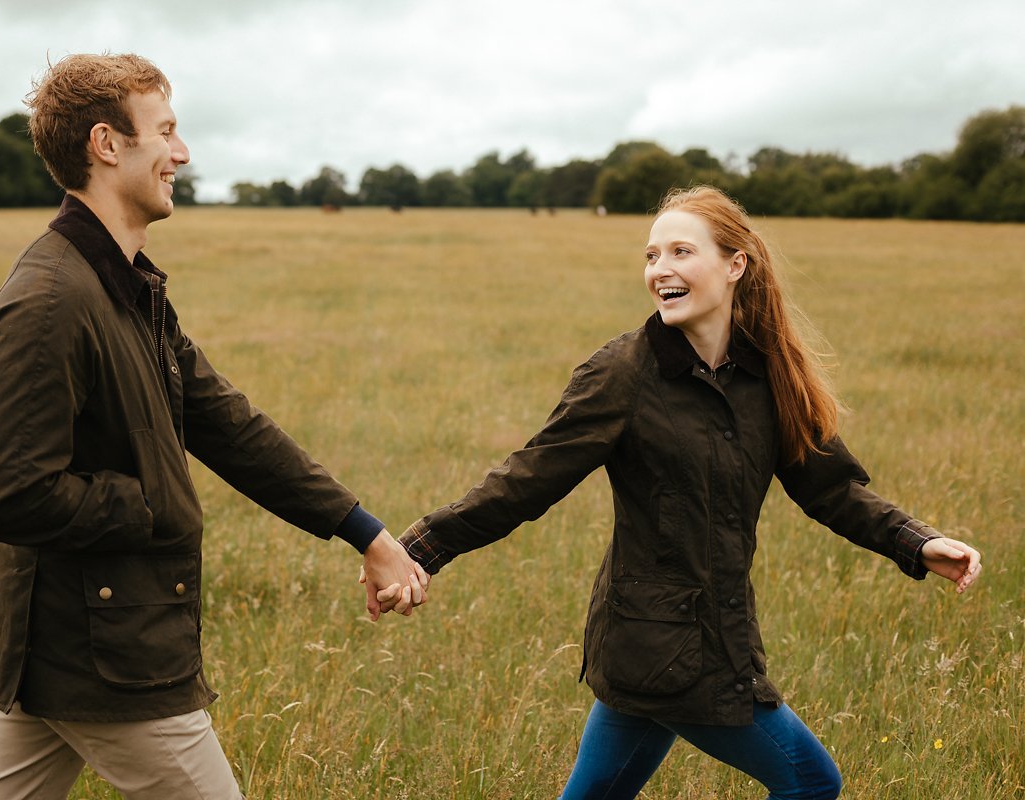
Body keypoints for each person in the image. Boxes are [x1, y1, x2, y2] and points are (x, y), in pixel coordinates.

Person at [393, 185, 982, 799]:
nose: (660, 270)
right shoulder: (623, 373)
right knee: (810, 781)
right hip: (667, 650)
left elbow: (830, 488)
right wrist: (419, 550)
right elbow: (526, 481)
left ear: (735, 265)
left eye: (680, 251)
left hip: (679, 641)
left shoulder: (769, 374)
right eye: (652, 256)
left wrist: (919, 543)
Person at [0, 53, 426, 800]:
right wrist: (146, 502)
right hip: (107, 656)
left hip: (65, 648)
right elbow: (0, 494)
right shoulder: (51, 301)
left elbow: (226, 424)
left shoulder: (124, 284)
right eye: (166, 132)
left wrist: (364, 531)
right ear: (108, 145)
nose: (181, 153)